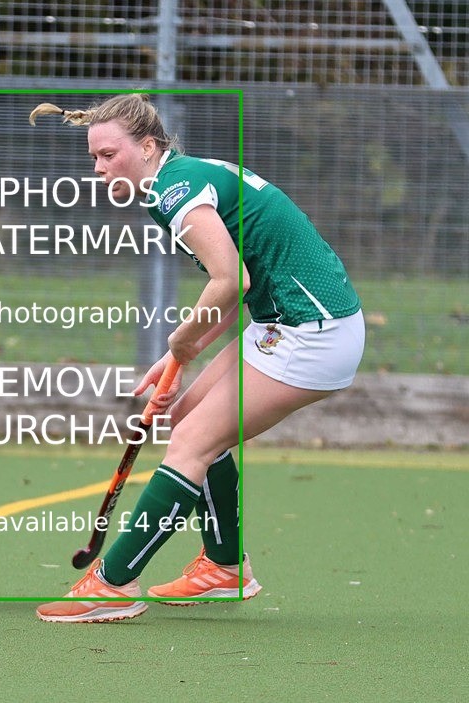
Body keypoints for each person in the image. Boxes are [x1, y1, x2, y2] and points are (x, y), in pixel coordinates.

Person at [29, 95, 364, 623]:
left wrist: (179, 347)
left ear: (147, 146)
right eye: (93, 158)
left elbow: (231, 282)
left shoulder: (174, 190)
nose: (98, 169)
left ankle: (113, 584)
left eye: (109, 154)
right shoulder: (181, 178)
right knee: (187, 420)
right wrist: (180, 359)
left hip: (312, 334)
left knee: (189, 442)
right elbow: (233, 289)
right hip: (286, 323)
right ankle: (225, 566)